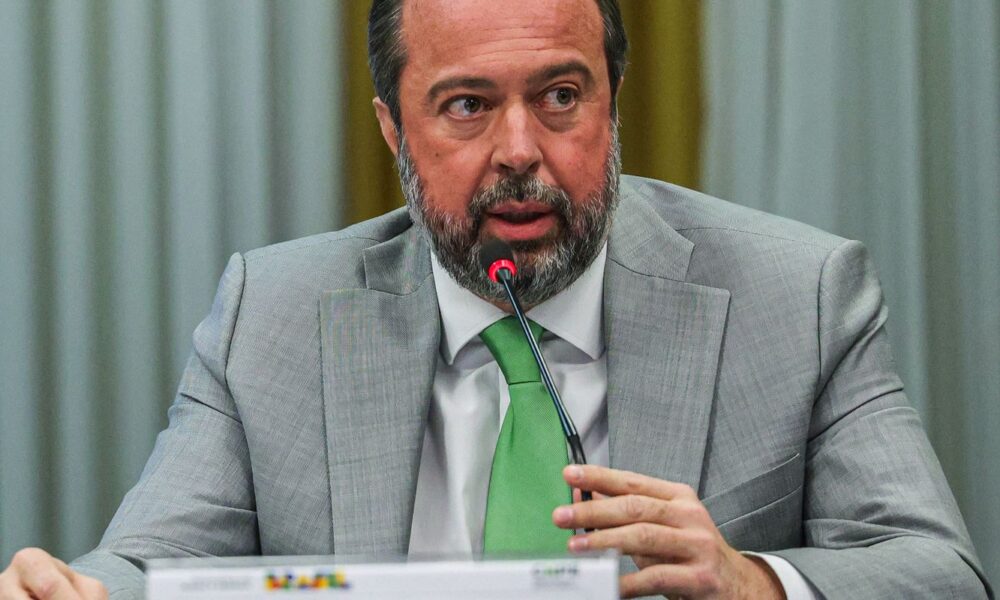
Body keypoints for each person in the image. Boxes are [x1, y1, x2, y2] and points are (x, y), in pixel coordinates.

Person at [0, 0, 991, 598]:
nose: (520, 151)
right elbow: (152, 566)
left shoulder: (798, 294)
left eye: (560, 96)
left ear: (612, 103)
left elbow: (940, 573)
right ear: (393, 129)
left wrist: (749, 582)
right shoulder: (273, 313)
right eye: (468, 106)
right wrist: (71, 589)